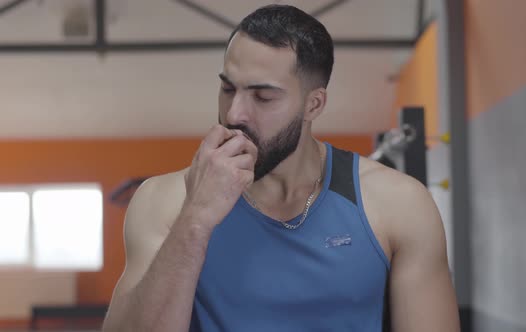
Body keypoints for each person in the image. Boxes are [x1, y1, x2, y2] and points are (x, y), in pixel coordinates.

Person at [102, 4, 460, 332]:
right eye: (228, 88)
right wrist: (195, 219)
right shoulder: (163, 202)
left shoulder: (398, 205)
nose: (235, 114)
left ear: (313, 104)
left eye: (263, 96)